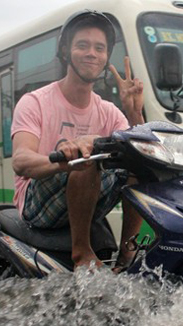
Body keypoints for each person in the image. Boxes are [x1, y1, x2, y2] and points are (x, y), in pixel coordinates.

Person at [11, 10, 144, 271]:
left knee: (138, 163)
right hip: (36, 206)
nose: (91, 53)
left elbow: (141, 151)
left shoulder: (109, 111)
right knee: (88, 158)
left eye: (99, 48)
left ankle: (128, 253)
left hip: (86, 199)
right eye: (82, 45)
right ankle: (81, 252)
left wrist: (134, 113)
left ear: (106, 57)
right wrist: (66, 160)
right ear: (65, 51)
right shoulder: (35, 101)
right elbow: (21, 161)